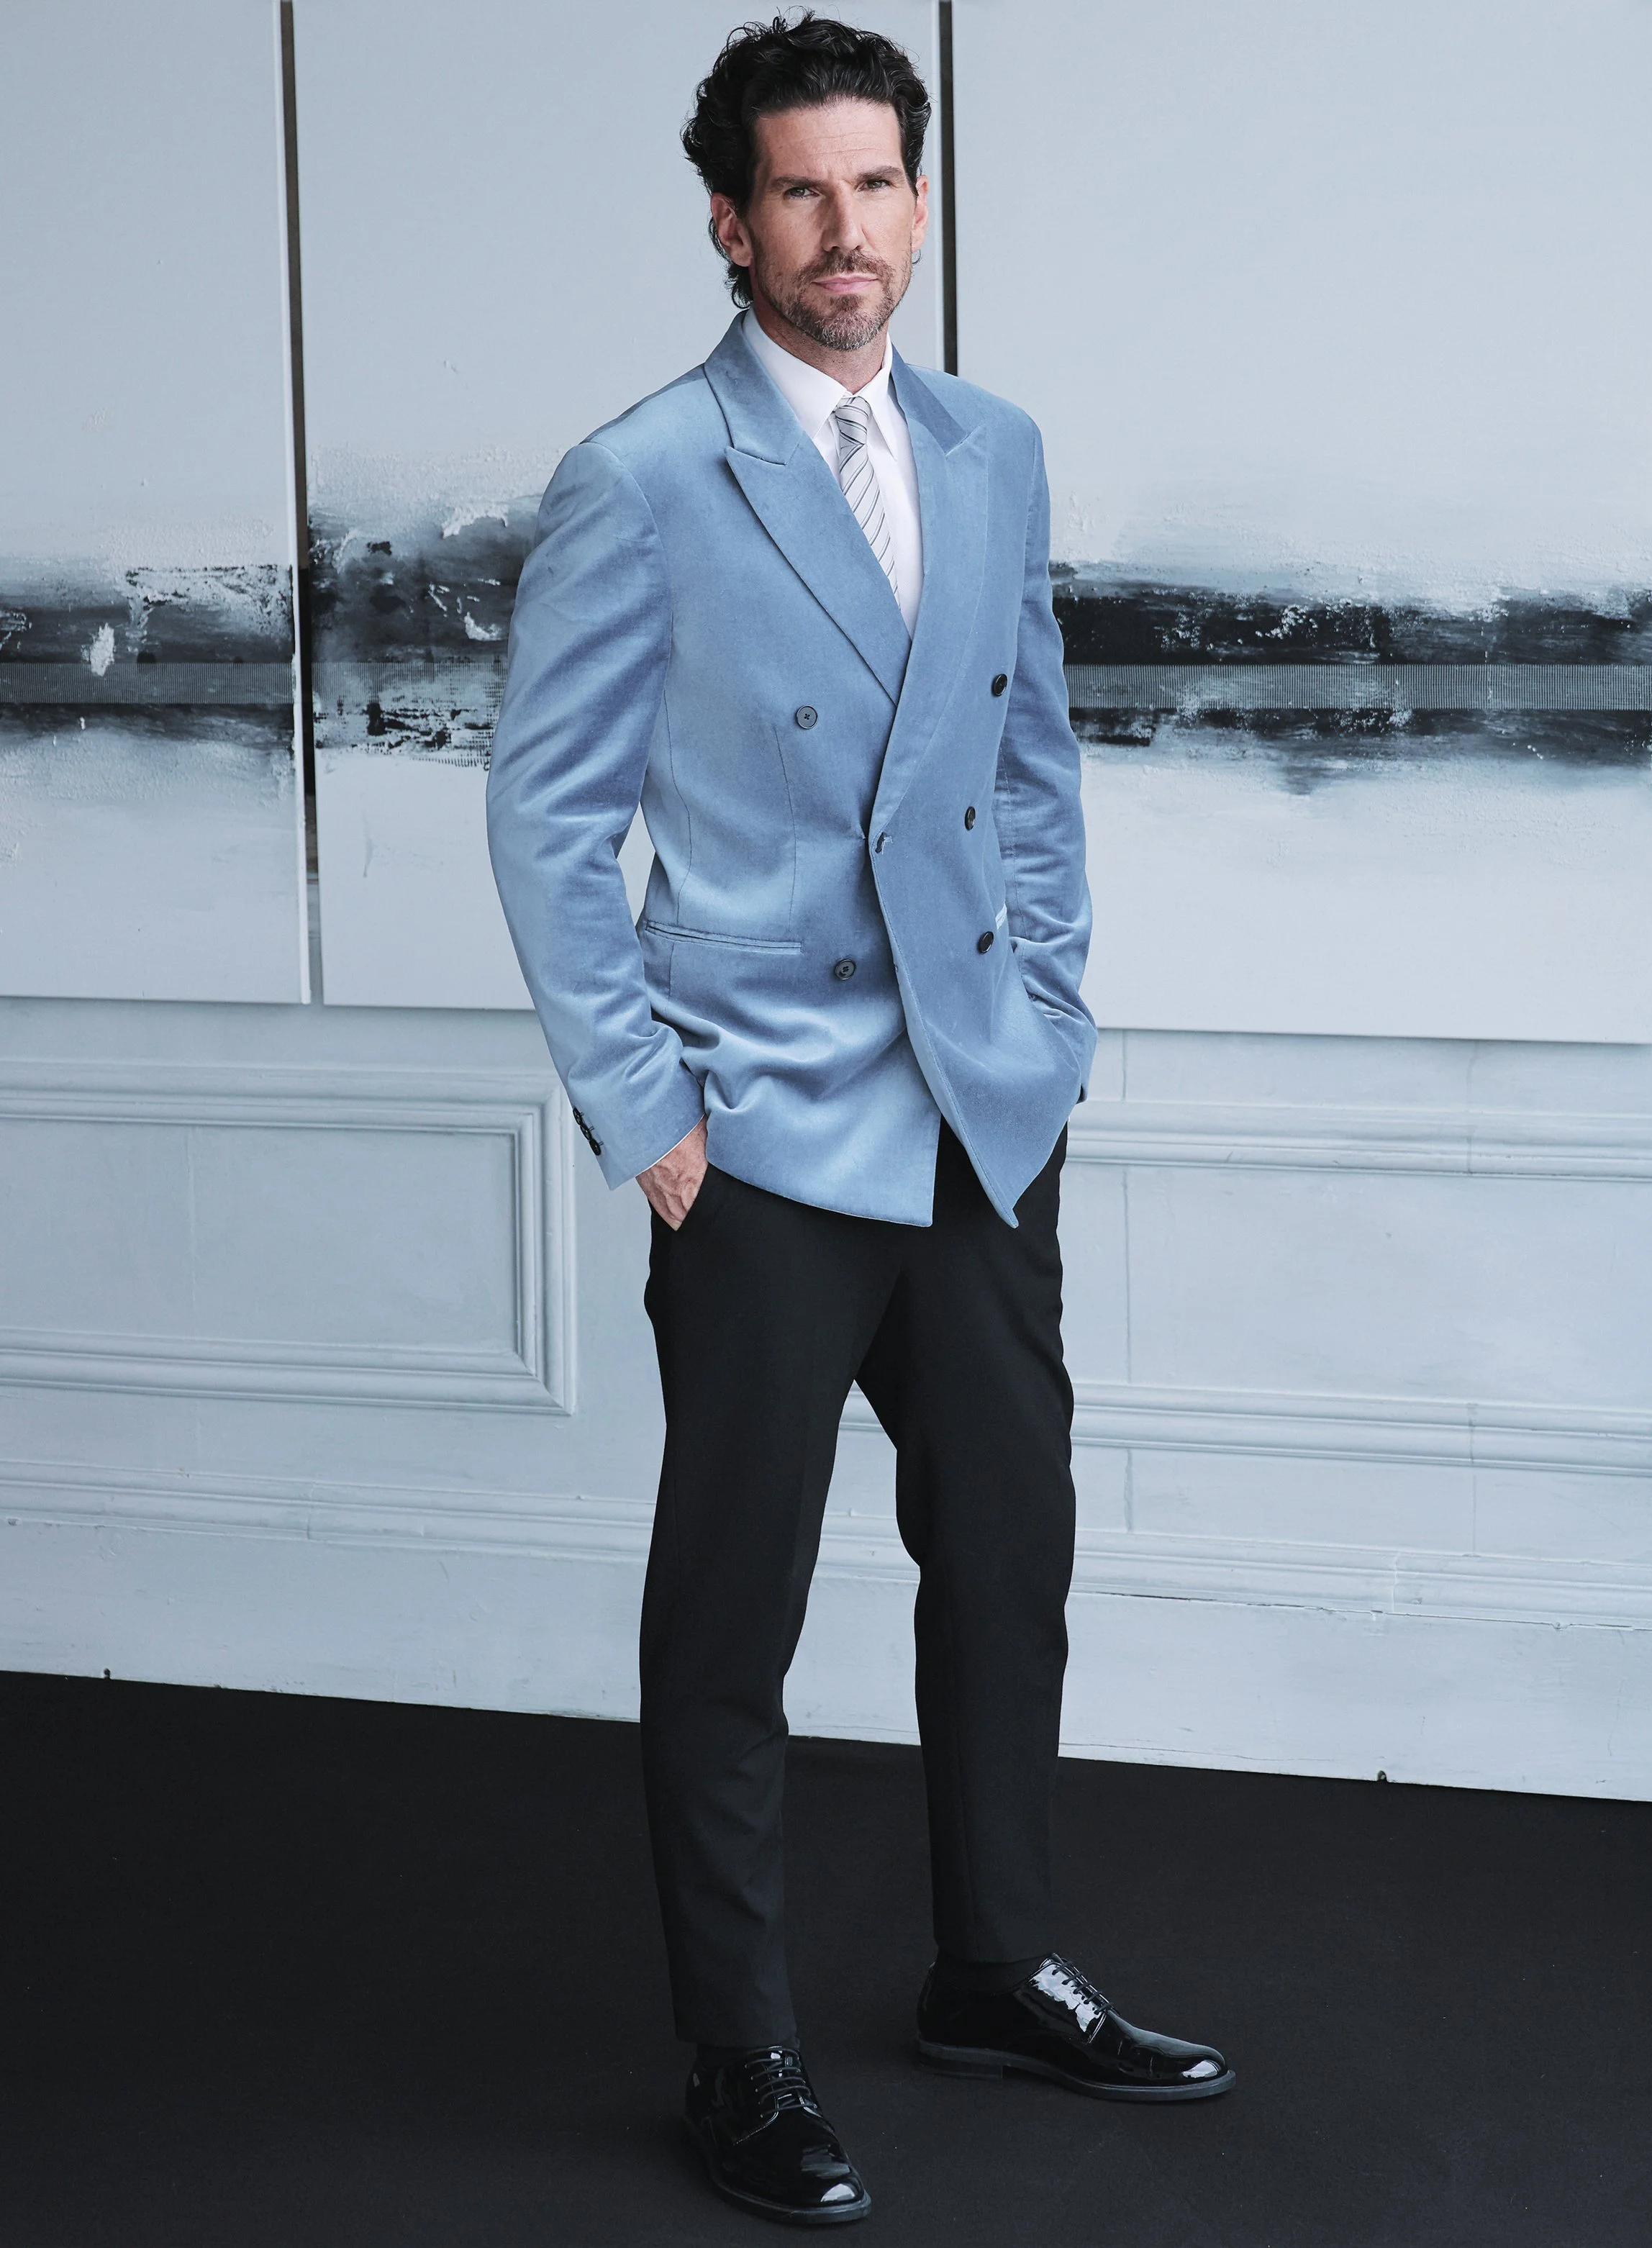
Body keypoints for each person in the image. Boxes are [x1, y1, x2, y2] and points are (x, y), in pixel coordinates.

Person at [486, 12, 1234, 2225]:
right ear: (731, 224)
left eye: (877, 183)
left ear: (918, 200)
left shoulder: (991, 447)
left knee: (1005, 1555)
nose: (847, 229)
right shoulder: (642, 476)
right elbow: (544, 819)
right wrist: (647, 1109)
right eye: (801, 190)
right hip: (763, 1134)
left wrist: (1050, 1017)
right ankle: (741, 2057)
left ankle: (991, 1965)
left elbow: (1030, 765)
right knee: (731, 1615)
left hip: (980, 1114)